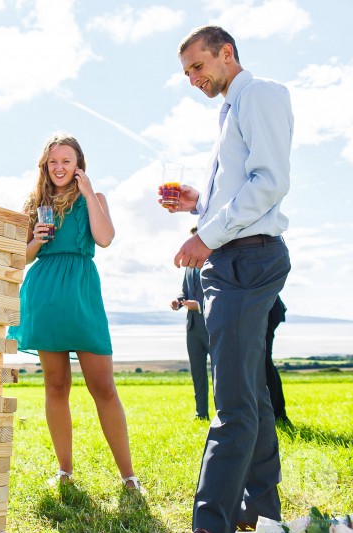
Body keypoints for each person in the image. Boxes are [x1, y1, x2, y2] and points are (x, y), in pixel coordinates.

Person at [163, 26, 293, 533]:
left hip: (247, 262)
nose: (193, 79)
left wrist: (206, 235)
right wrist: (200, 202)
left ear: (227, 53)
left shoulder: (258, 94)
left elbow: (271, 183)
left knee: (233, 406)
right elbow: (246, 186)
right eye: (187, 72)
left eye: (198, 66)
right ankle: (261, 515)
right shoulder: (230, 110)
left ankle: (208, 525)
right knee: (251, 395)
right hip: (234, 260)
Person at [8, 133, 141, 492]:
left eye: (67, 161)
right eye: (53, 161)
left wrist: (88, 193)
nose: (59, 167)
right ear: (45, 166)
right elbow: (21, 258)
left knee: (103, 387)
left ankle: (129, 476)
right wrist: (35, 238)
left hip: (82, 295)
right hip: (45, 296)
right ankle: (64, 471)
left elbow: (105, 238)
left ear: (79, 165)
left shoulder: (93, 199)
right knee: (55, 385)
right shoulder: (34, 203)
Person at [171, 227, 211, 420]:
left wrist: (200, 306)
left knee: (220, 373)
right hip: (192, 326)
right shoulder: (188, 266)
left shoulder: (214, 262)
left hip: (212, 326)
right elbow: (185, 290)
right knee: (197, 372)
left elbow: (220, 296)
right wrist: (178, 301)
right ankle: (201, 413)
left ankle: (223, 412)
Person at [265, 296, 289, 424]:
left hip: (266, 310)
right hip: (267, 309)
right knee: (265, 362)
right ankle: (277, 412)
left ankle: (278, 413)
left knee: (264, 363)